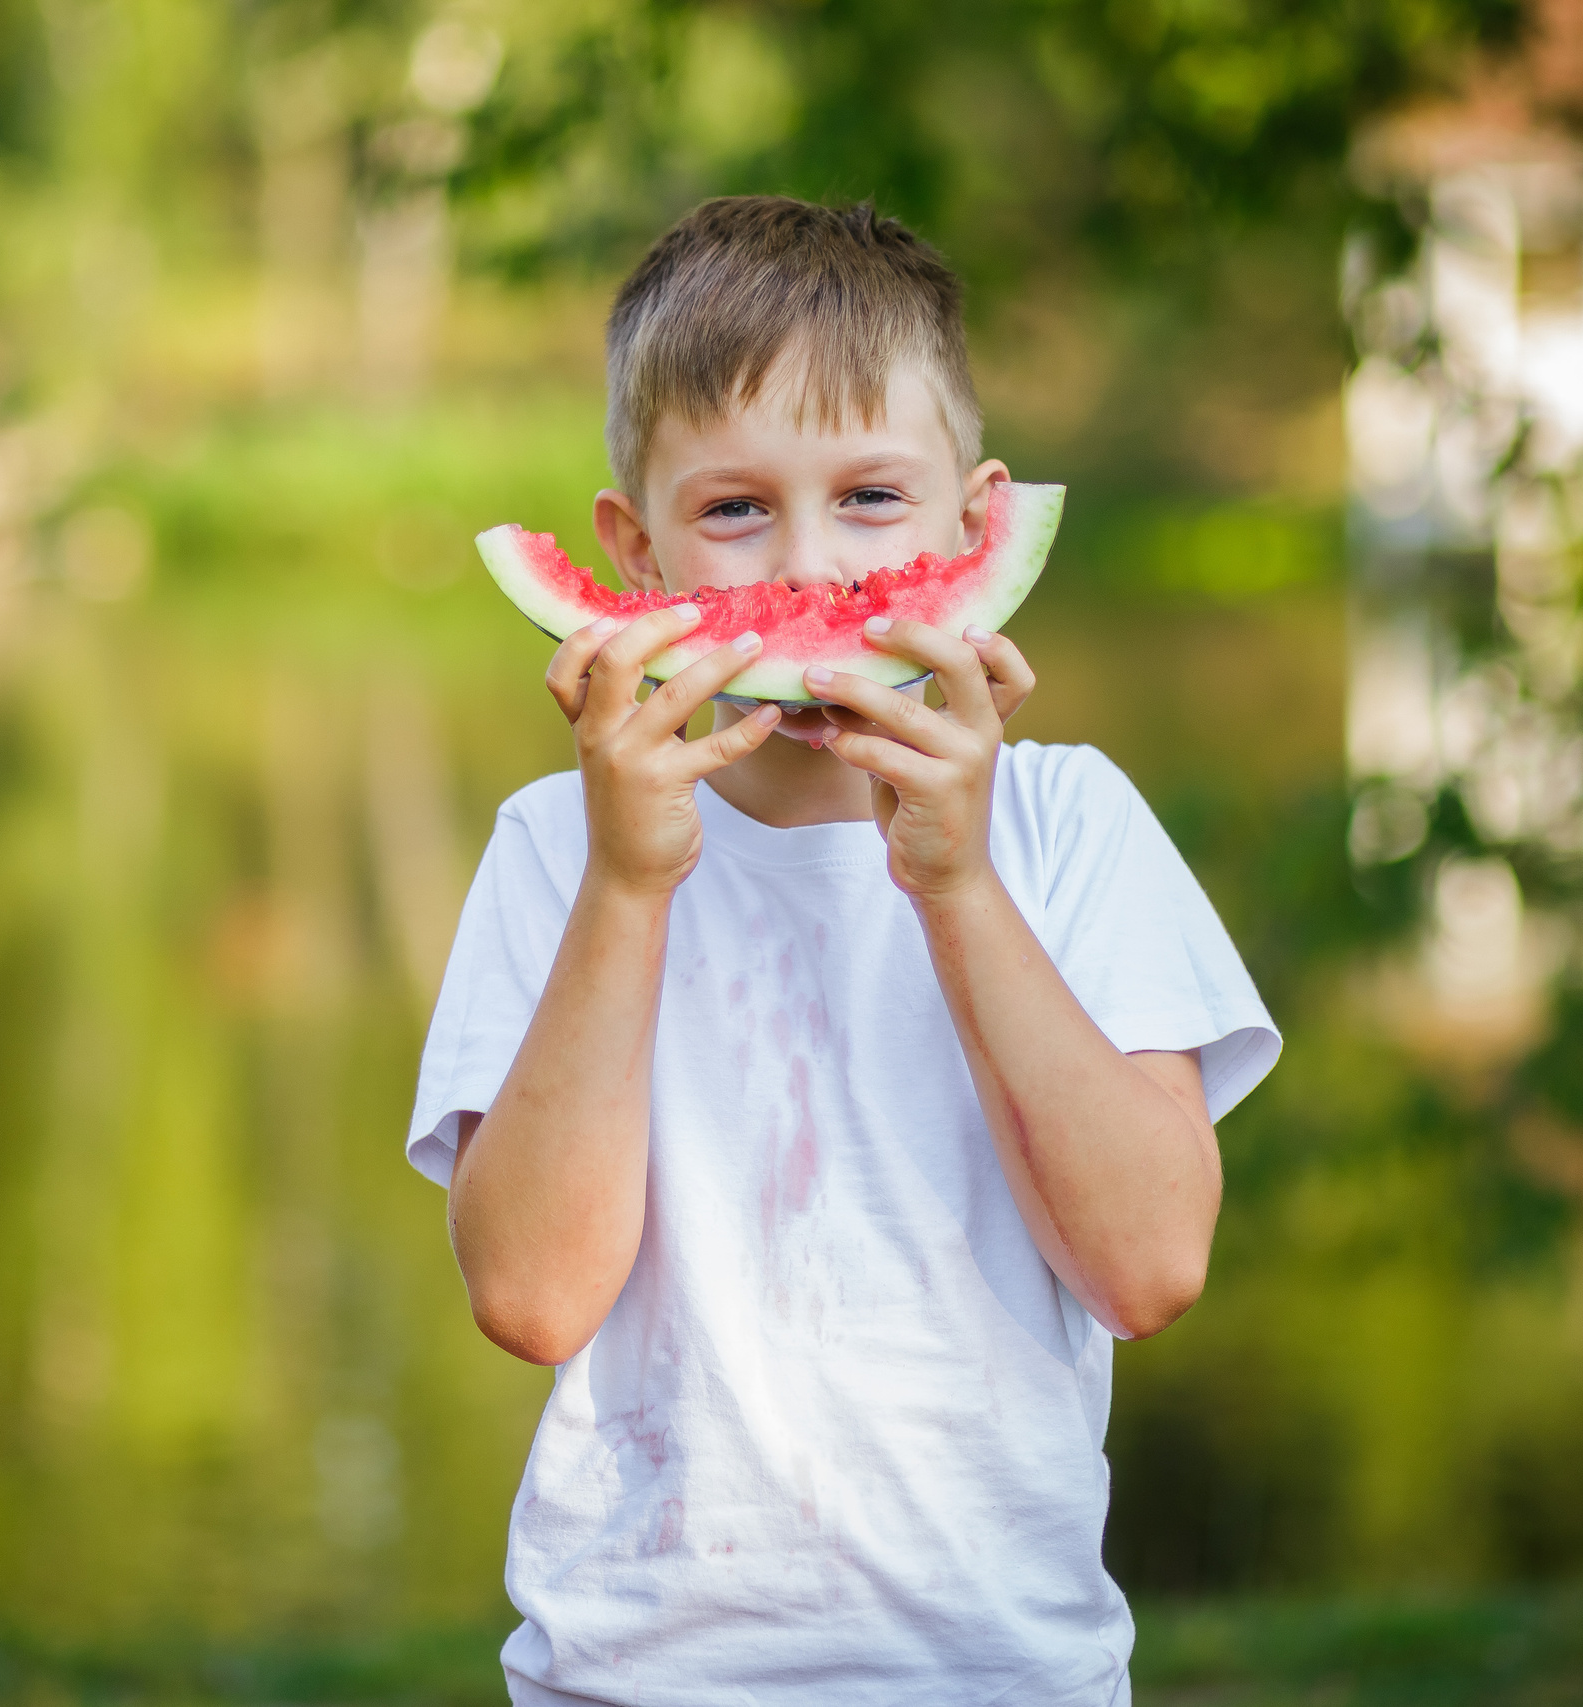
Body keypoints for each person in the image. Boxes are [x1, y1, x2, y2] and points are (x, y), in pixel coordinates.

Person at [407, 196, 1280, 1706]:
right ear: (632, 551)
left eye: (872, 497)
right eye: (735, 510)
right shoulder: (557, 850)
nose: (810, 566)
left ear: (974, 526)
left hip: (1002, 1678)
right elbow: (532, 1300)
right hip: (636, 1681)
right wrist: (629, 887)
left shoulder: (1070, 824)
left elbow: (1149, 1269)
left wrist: (959, 886)